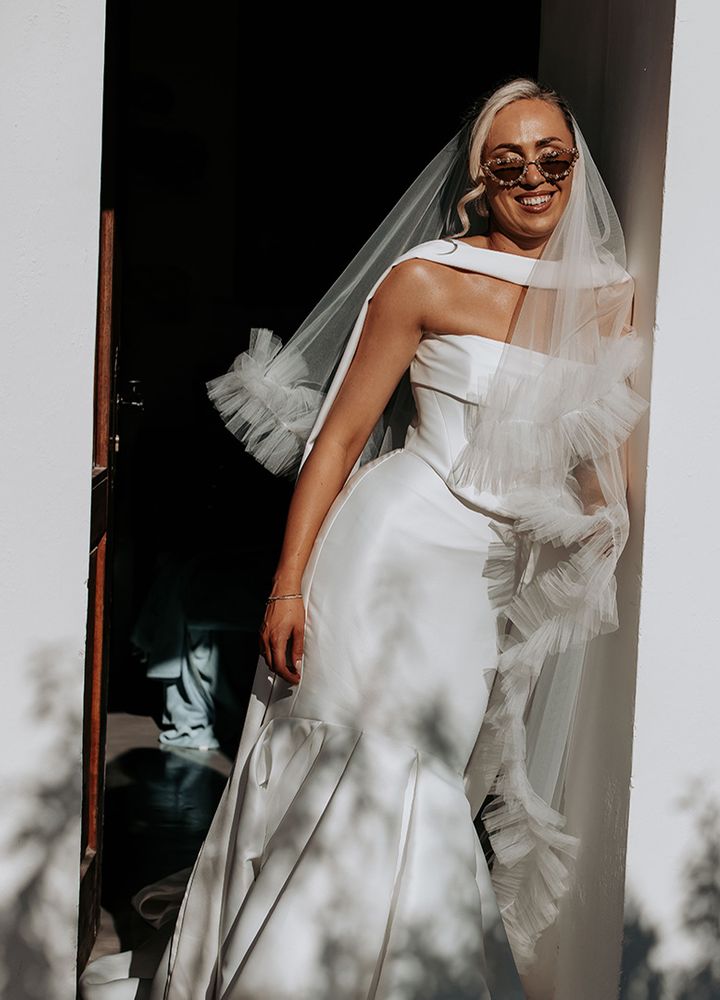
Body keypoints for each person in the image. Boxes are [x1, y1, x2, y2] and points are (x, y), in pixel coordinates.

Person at [80, 76, 648, 999]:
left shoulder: (608, 297)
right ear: (481, 179)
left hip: (481, 582)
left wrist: (594, 529)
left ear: (576, 166)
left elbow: (593, 450)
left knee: (425, 775)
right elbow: (340, 439)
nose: (534, 179)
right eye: (509, 163)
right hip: (388, 550)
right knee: (359, 761)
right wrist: (287, 584)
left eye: (552, 159)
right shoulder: (424, 277)